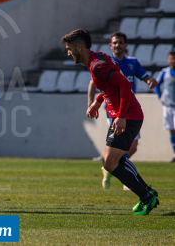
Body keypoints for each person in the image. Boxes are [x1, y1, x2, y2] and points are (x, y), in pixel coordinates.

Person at [61, 28, 159, 215]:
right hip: (121, 115)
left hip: (128, 115)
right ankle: (146, 193)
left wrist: (121, 116)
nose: (68, 52)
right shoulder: (98, 58)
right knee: (110, 161)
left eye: (69, 48)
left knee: (110, 162)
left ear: (79, 47)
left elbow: (124, 84)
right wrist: (97, 103)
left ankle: (147, 195)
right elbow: (109, 86)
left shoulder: (97, 65)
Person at [88, 32, 157, 190]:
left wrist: (150, 80)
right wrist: (92, 102)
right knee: (120, 147)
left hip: (130, 110)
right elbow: (94, 84)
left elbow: (143, 76)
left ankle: (110, 168)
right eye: (115, 42)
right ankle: (126, 178)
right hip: (113, 112)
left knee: (132, 147)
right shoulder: (105, 63)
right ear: (110, 45)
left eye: (120, 42)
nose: (117, 45)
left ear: (125, 45)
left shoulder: (132, 62)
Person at [155, 51, 175, 163]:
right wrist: (160, 97)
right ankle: (174, 153)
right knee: (171, 130)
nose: (173, 61)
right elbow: (157, 85)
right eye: (171, 58)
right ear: (168, 59)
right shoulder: (164, 72)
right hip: (167, 105)